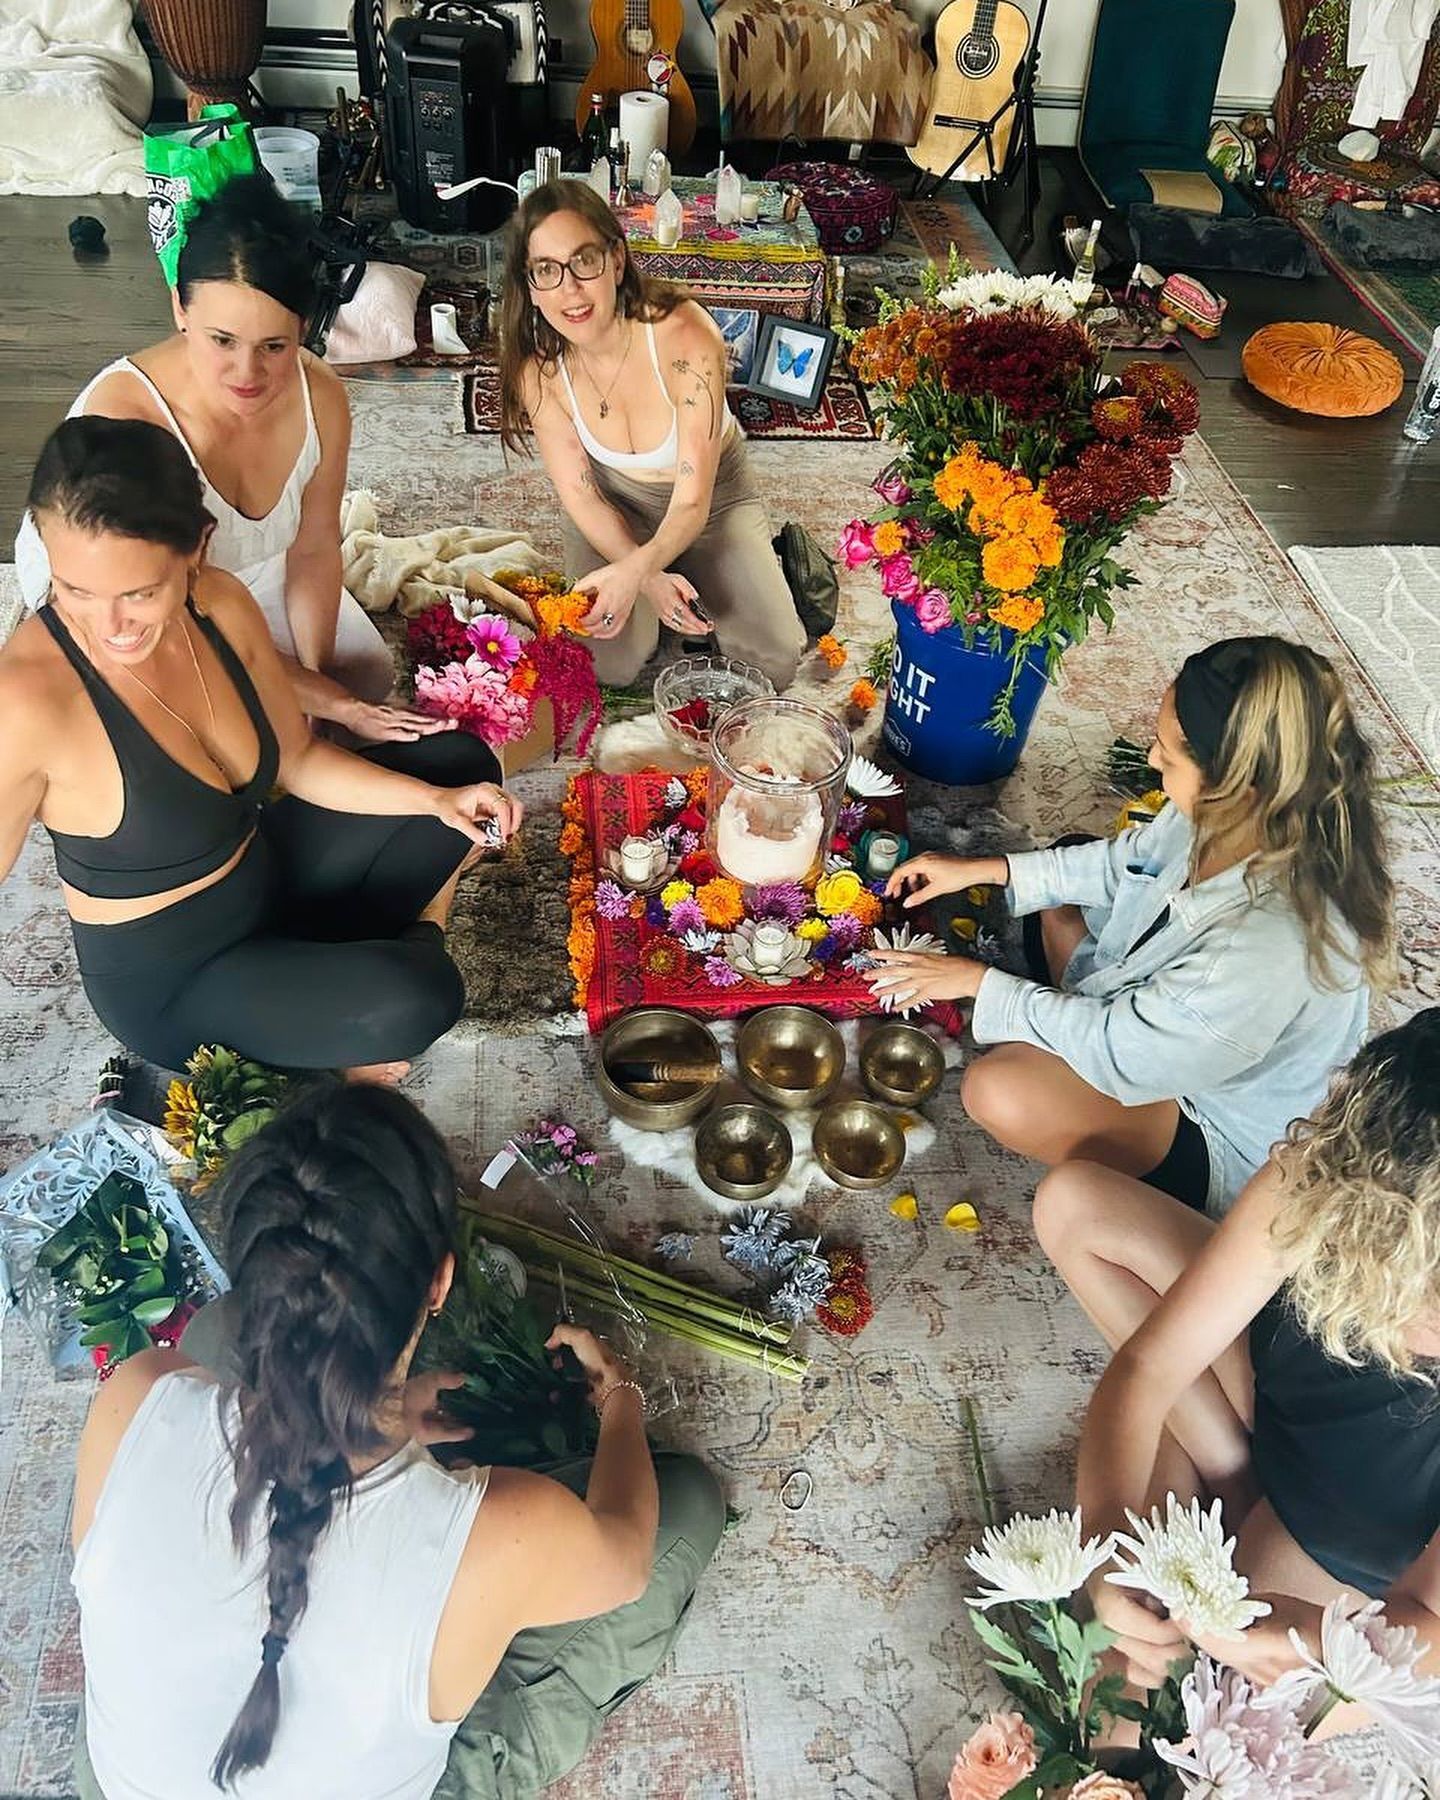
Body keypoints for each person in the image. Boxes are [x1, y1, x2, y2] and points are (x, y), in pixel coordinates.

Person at [70, 1081, 726, 1799]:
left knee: (212, 1335)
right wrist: (621, 1396)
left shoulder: (134, 1395)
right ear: (439, 1283)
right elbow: (625, 1560)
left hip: (125, 1784)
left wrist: (371, 1418)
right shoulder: (506, 1532)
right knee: (687, 1501)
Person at [0, 415, 523, 1078]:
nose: (108, 626)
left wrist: (436, 802)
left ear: (197, 548)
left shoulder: (217, 603)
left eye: (140, 593)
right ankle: (376, 978)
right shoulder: (26, 700)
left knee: (461, 768)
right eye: (75, 590)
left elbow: (298, 760)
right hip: (183, 983)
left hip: (266, 874)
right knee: (423, 995)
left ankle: (330, 989)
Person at [867, 636, 1394, 1213]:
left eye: (1169, 753)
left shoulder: (1266, 946)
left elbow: (1126, 1053)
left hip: (1207, 1116)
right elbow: (1126, 864)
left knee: (998, 1091)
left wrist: (977, 982)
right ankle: (1060, 1020)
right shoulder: (1242, 811)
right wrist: (984, 868)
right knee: (1061, 867)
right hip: (1155, 1015)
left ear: (1236, 786)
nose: (1151, 758)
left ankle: (1077, 1061)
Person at [1039, 1010, 1440, 1709]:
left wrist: (1315, 1638)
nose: (1393, 1311)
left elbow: (1428, 1621)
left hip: (1360, 1517)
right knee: (1074, 1205)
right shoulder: (1329, 1173)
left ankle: (1232, 1485)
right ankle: (1230, 1469)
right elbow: (1148, 1368)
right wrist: (1101, 1535)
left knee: (1177, 1714)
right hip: (1288, 1381)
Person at [14, 172, 441, 747]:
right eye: (222, 340)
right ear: (180, 308)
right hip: (139, 600)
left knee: (360, 678)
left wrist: (317, 685)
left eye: (274, 347)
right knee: (205, 731)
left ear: (304, 329)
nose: (247, 374)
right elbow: (164, 610)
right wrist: (322, 701)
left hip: (241, 576)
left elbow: (313, 548)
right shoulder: (127, 420)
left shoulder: (321, 396)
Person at [497, 178, 806, 691]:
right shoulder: (539, 370)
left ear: (616, 261)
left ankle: (758, 563)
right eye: (547, 270)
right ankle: (677, 582)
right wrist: (648, 576)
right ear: (530, 285)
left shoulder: (685, 335)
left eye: (584, 261)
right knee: (606, 664)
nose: (570, 290)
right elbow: (582, 496)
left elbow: (691, 502)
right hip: (616, 504)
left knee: (774, 662)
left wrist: (637, 573)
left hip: (711, 499)